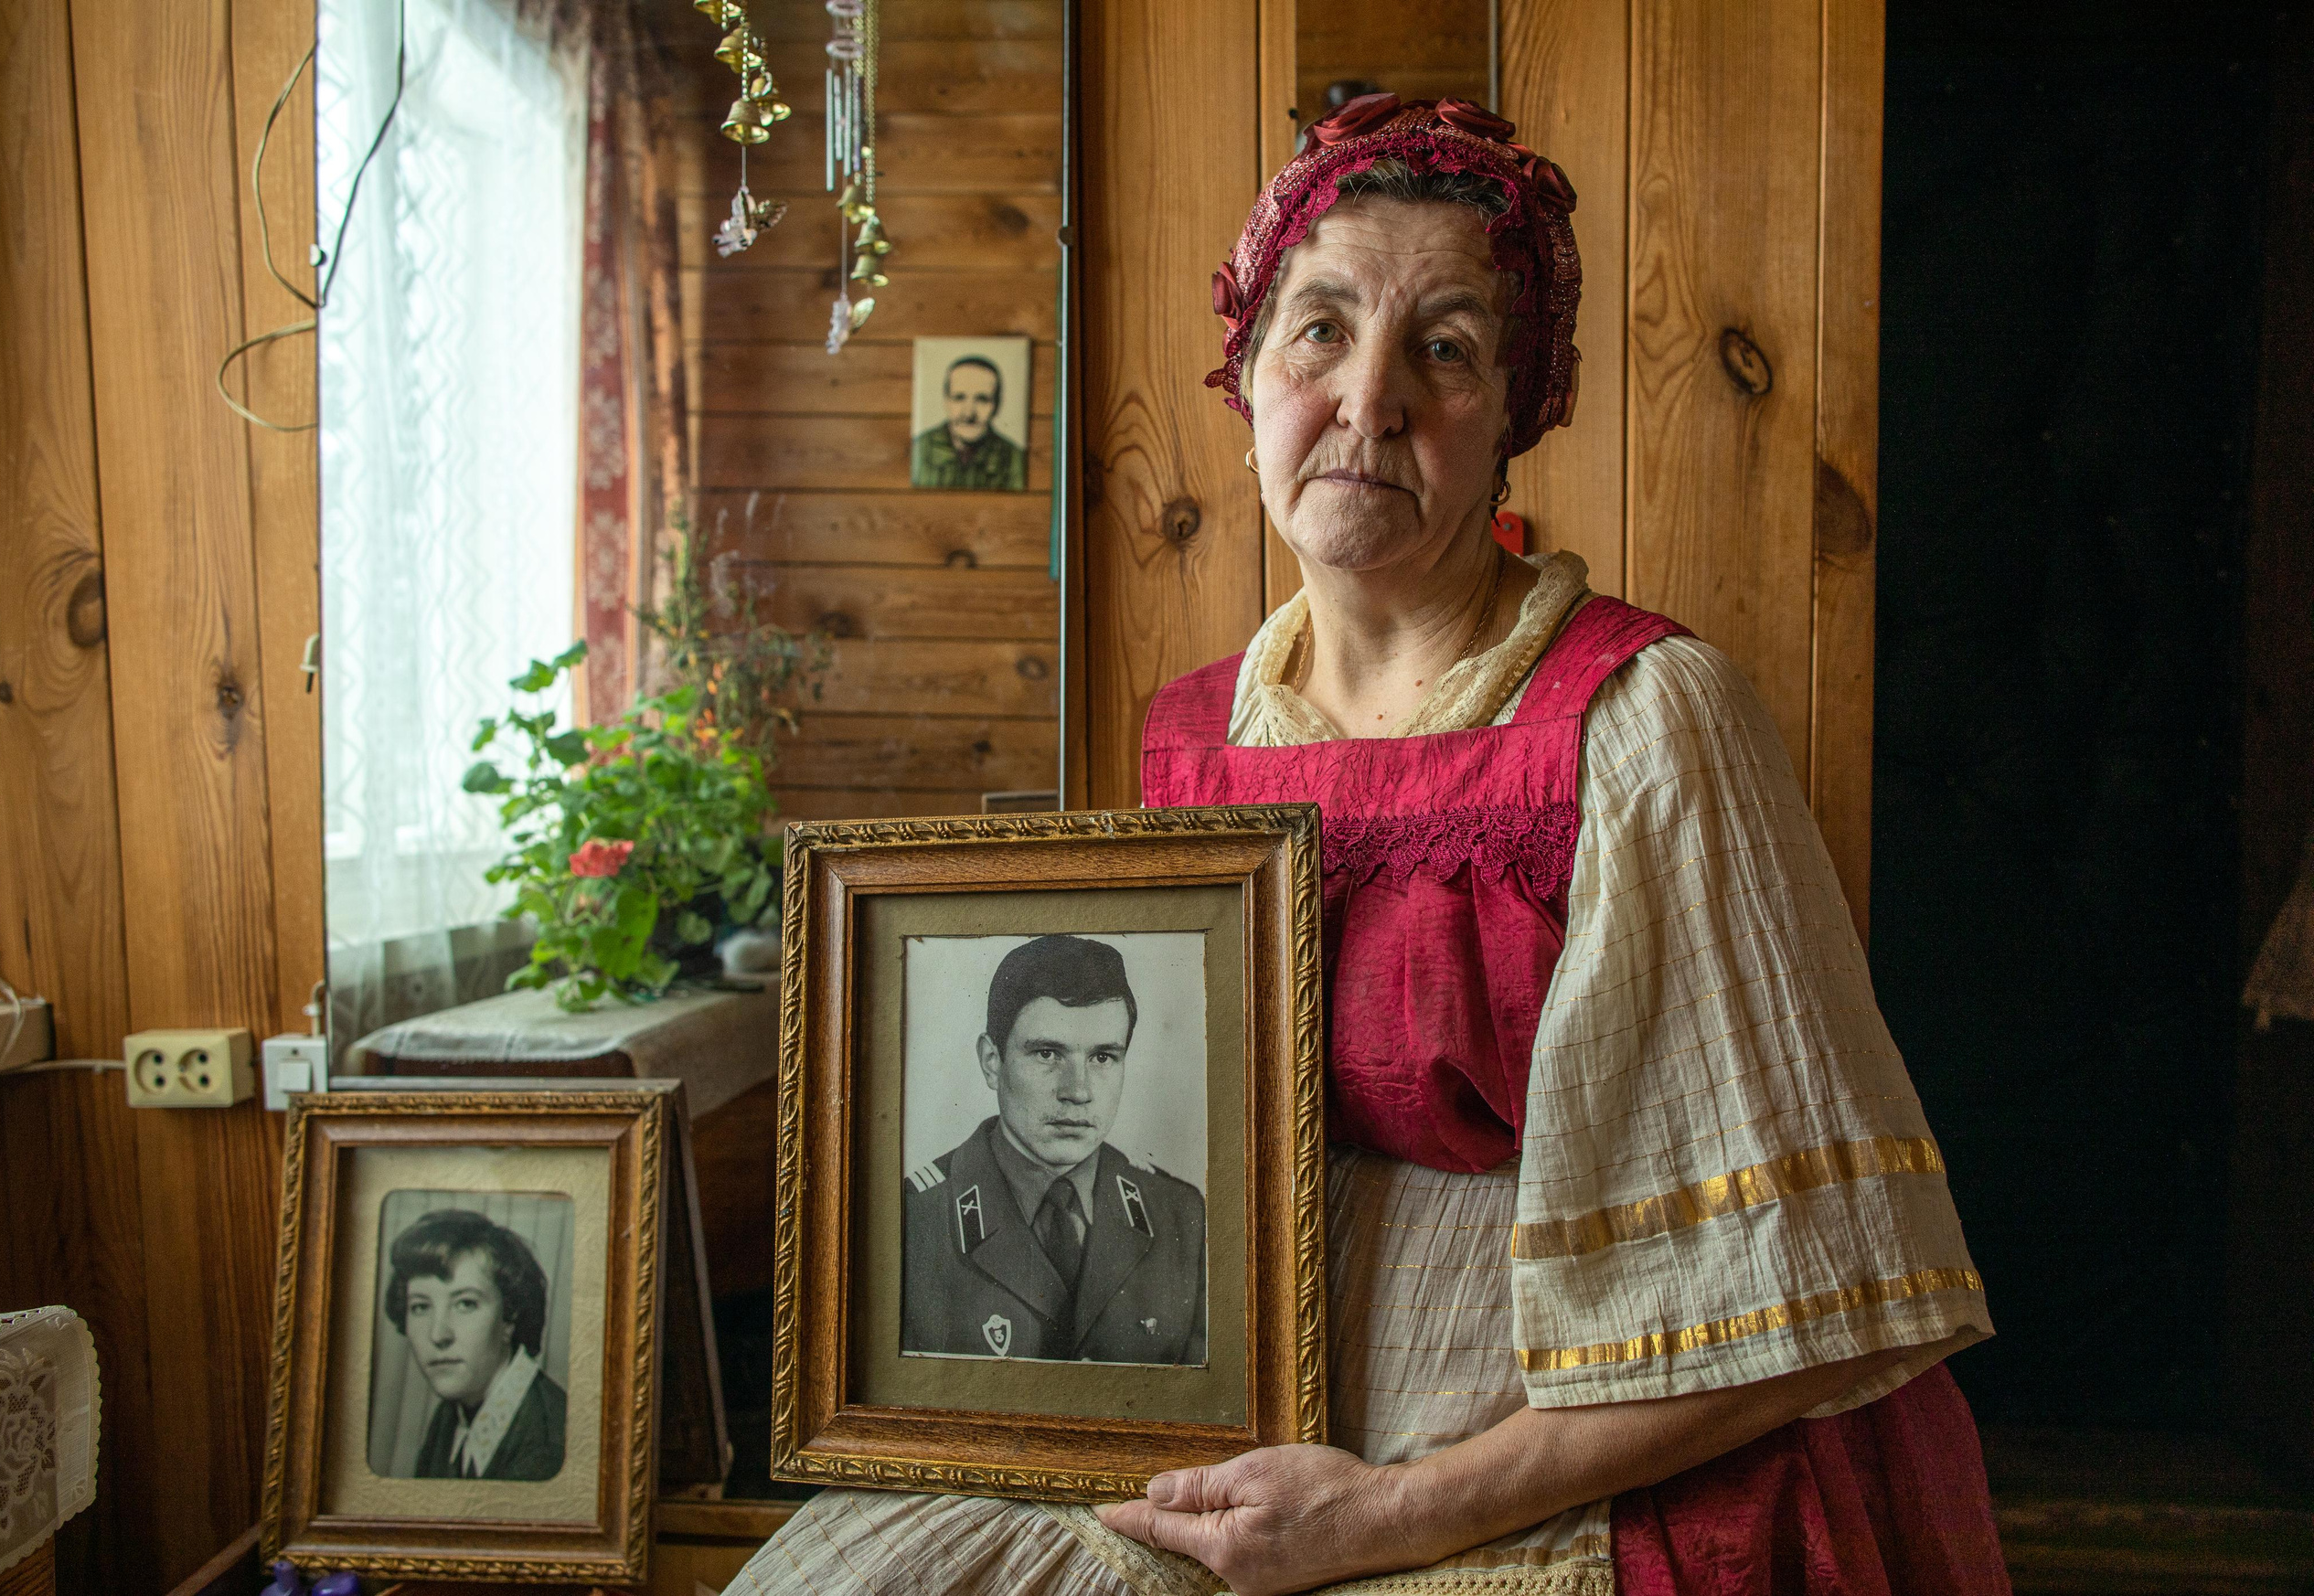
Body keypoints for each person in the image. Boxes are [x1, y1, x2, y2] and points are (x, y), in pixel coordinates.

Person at [732, 92, 2002, 1596]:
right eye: (1320, 330)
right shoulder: (1192, 745)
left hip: (1553, 1462)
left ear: (1516, 420)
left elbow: (1806, 1297)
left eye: (1445, 349)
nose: (1371, 399)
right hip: (1229, 1444)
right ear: (1248, 376)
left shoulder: (1645, 717)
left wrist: (1388, 1520)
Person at [902, 934, 1208, 1365]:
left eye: (1103, 1057)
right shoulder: (913, 1219)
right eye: (1047, 1053)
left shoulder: (1180, 1215)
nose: (1078, 1091)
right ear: (993, 1061)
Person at [382, 1207, 567, 1483]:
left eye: (466, 1304)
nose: (438, 1334)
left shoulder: (550, 1448)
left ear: (509, 1317)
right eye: (420, 1307)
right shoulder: (455, 1411)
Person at [911, 355, 1026, 490]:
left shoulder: (1014, 459)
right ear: (946, 401)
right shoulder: (920, 449)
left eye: (982, 399)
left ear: (996, 404)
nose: (969, 413)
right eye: (959, 397)